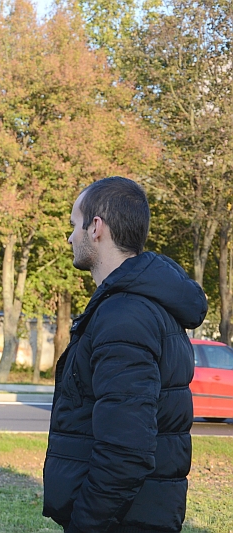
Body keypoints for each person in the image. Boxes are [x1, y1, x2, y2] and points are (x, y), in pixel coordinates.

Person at [43, 177, 208, 532]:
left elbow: (126, 450)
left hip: (122, 521)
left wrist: (85, 523)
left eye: (74, 224)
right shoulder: (142, 305)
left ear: (96, 227)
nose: (70, 237)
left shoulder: (125, 316)